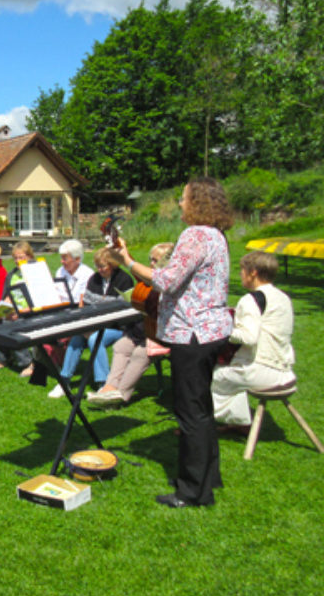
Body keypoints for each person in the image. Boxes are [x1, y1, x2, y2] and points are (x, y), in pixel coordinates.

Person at [113, 177, 234, 508]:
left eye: (184, 198)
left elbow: (166, 280)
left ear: (198, 203)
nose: (180, 204)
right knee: (202, 409)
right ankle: (210, 478)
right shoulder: (216, 236)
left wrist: (127, 261)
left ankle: (192, 492)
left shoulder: (195, 235)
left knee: (190, 413)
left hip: (193, 334)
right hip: (211, 331)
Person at [211, 251, 295, 431]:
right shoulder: (283, 297)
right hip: (285, 370)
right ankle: (238, 422)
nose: (240, 275)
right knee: (227, 374)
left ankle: (205, 423)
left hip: (262, 371)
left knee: (211, 376)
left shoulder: (250, 300)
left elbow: (249, 337)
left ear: (253, 272)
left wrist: (222, 328)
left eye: (242, 270)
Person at [88, 242, 174, 406]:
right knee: (121, 346)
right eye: (151, 260)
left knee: (140, 354)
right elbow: (136, 271)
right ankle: (110, 386)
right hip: (143, 330)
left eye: (156, 261)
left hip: (163, 335)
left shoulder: (171, 281)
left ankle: (121, 394)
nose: (151, 264)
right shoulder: (150, 279)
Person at [47, 247, 134, 399]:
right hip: (94, 324)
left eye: (103, 267)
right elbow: (86, 306)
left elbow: (122, 313)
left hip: (117, 327)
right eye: (97, 266)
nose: (99, 270)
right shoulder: (94, 279)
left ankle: (104, 383)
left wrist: (95, 326)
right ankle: (64, 380)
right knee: (77, 339)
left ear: (113, 265)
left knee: (95, 339)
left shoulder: (124, 280)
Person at [0, 241, 36, 376]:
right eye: (15, 258)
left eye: (21, 257)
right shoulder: (12, 274)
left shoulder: (35, 271)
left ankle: (27, 363)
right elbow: (5, 295)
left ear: (29, 256)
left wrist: (22, 311)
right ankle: (5, 358)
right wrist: (4, 307)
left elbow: (39, 297)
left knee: (12, 326)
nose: (18, 261)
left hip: (32, 311)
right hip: (14, 310)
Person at [53, 239, 94, 305]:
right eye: (61, 258)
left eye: (65, 258)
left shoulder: (87, 274)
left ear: (77, 259)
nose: (62, 261)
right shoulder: (60, 271)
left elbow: (83, 300)